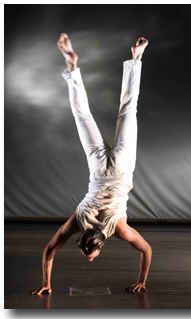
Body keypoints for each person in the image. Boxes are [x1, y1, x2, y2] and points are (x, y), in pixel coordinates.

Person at [27, 33, 152, 294]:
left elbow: (146, 250)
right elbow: (50, 250)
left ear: (101, 241)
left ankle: (136, 58)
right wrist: (45, 283)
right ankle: (73, 68)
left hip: (121, 167)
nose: (91, 258)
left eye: (90, 255)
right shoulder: (78, 220)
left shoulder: (119, 228)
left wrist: (142, 280)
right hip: (98, 167)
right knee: (81, 115)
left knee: (128, 110)